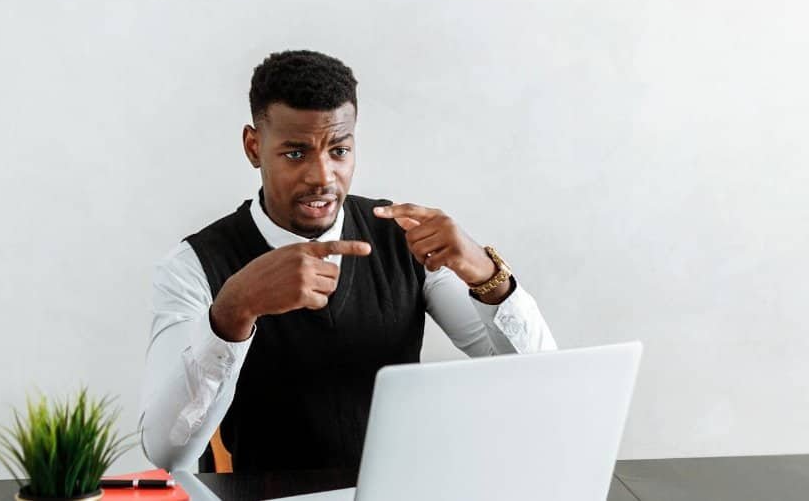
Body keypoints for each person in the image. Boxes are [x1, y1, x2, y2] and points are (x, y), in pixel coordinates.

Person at [139, 50, 556, 473]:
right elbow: (167, 452)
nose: (322, 175)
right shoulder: (193, 265)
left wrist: (488, 275)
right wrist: (232, 312)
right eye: (296, 154)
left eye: (338, 151)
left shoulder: (403, 237)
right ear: (253, 146)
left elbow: (540, 385)